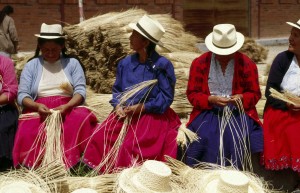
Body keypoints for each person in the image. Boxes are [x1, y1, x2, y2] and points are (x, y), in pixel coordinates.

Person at [83, 15, 180, 172]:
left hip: (151, 114)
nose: (130, 38)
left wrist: (142, 107)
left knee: (131, 143)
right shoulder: (126, 63)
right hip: (126, 112)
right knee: (101, 135)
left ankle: (131, 175)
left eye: (134, 35)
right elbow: (118, 90)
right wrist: (118, 106)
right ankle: (103, 170)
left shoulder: (162, 65)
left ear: (145, 43)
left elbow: (166, 97)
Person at [12, 23, 98, 169]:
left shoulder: (72, 63)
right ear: (39, 46)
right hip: (39, 108)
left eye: (54, 50)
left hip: (68, 106)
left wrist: (68, 106)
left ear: (62, 46)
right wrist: (36, 106)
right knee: (29, 128)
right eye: (46, 50)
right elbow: (23, 95)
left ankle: (74, 163)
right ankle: (33, 164)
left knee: (80, 119)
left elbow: (80, 91)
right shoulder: (32, 65)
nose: (50, 53)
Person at [185, 24, 263, 169]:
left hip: (238, 112)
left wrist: (241, 98)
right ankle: (206, 174)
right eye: (220, 52)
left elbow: (255, 93)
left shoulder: (247, 64)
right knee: (205, 134)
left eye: (229, 52)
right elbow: (192, 94)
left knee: (237, 136)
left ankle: (234, 176)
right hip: (207, 112)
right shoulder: (200, 63)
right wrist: (209, 99)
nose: (225, 55)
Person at [262, 19, 300, 192]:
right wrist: (287, 104)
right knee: (292, 129)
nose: (290, 39)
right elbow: (270, 93)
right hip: (282, 110)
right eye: (291, 34)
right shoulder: (282, 59)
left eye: (296, 35)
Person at [0, 55, 18, 171]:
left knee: (2, 128)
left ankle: (4, 163)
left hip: (2, 108)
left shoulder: (4, 62)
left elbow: (11, 91)